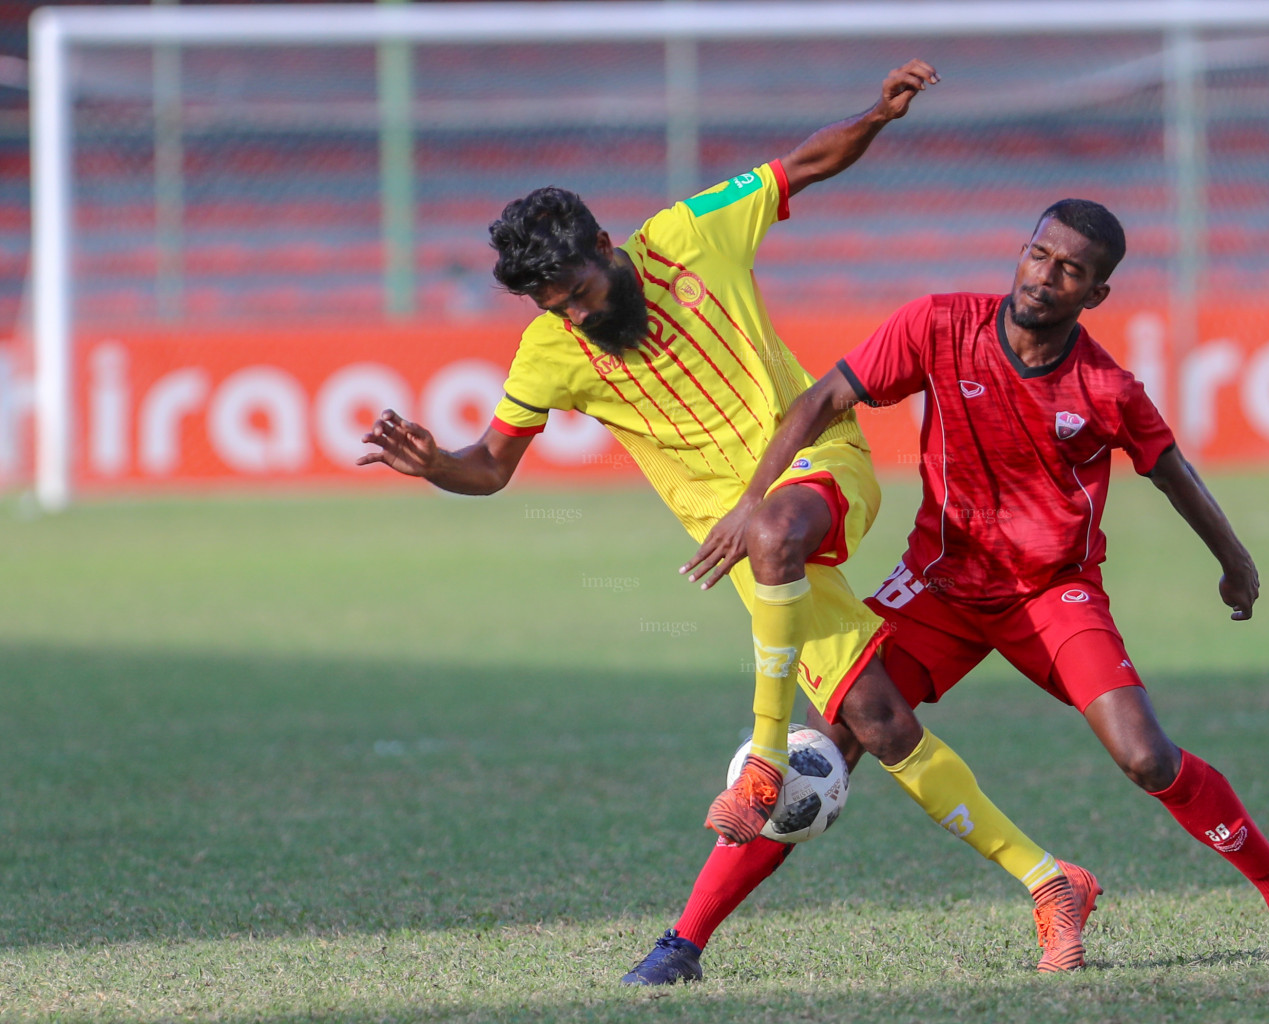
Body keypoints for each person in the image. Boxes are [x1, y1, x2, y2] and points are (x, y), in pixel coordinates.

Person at [359, 61, 1099, 980]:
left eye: (583, 292)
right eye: (560, 310)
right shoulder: (549, 352)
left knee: (774, 533)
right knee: (878, 722)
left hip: (816, 474)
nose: (581, 317)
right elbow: (493, 466)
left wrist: (878, 112)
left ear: (604, 242)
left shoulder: (689, 235)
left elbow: (806, 164)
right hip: (750, 555)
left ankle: (762, 759)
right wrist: (436, 468)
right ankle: (1049, 880)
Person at [648, 197, 1269, 979]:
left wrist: (1235, 559)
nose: (1045, 277)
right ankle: (682, 944)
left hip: (1051, 594)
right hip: (939, 585)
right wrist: (754, 501)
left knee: (1146, 757)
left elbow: (1172, 473)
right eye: (1038, 255)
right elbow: (822, 400)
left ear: (1095, 296)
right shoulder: (938, 325)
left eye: (1071, 272)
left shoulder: (1106, 389)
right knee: (826, 747)